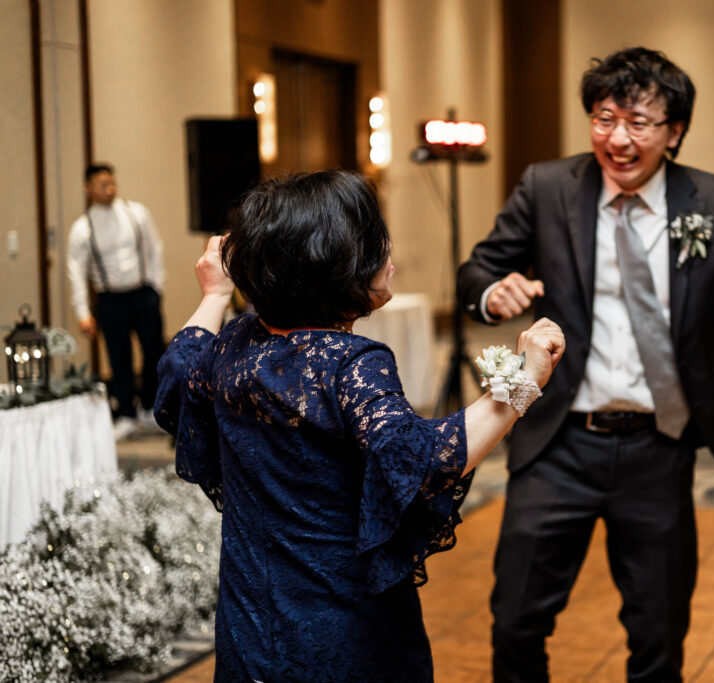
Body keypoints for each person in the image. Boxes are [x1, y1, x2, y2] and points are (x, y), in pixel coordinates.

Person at [456, 47, 714, 681]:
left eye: (639, 122)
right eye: (604, 118)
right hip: (558, 443)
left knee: (658, 633)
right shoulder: (549, 188)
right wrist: (490, 291)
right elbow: (479, 266)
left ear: (675, 132)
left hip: (659, 448)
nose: (618, 138)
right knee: (516, 620)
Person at [154, 170, 565, 682]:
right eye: (375, 241)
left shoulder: (237, 342)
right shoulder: (350, 363)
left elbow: (177, 377)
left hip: (250, 629)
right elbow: (423, 460)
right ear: (335, 263)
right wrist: (524, 382)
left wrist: (215, 295)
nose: (388, 252)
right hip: (340, 635)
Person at [67, 163, 165, 441]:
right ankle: (125, 413)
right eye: (101, 184)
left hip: (142, 294)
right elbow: (76, 272)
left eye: (111, 183)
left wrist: (156, 286)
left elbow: (154, 249)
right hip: (110, 299)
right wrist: (83, 312)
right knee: (119, 357)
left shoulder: (136, 213)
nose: (108, 189)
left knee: (153, 352)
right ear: (88, 189)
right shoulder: (82, 228)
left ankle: (150, 407)